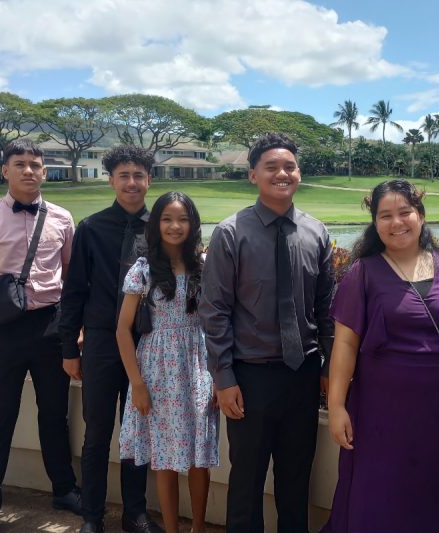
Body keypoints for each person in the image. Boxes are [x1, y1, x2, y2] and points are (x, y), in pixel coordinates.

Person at [322, 179, 439, 532]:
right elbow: (345, 346)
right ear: (375, 223)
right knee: (382, 497)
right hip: (380, 416)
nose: (396, 223)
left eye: (405, 212)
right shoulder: (362, 273)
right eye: (385, 216)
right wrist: (336, 406)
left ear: (421, 216)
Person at [199, 132, 335, 533]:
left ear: (299, 173)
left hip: (303, 374)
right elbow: (215, 311)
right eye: (271, 167)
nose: (282, 173)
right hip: (249, 377)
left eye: (289, 166)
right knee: (246, 480)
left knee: (296, 478)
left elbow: (326, 308)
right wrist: (223, 379)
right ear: (253, 175)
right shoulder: (230, 233)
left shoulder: (317, 233)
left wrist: (331, 366)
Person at [0, 139, 81, 533]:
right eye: (20, 164)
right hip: (2, 329)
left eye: (36, 165)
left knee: (54, 415)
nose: (29, 171)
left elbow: (72, 279)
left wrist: (73, 331)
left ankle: (63, 488)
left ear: (45, 172)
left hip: (51, 326)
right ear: (4, 171)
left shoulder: (62, 218)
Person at [59, 145, 161, 533]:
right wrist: (70, 347)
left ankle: (135, 514)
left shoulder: (163, 228)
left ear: (149, 180)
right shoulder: (91, 228)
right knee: (97, 433)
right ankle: (92, 516)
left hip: (147, 343)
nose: (132, 182)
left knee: (137, 434)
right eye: (124, 175)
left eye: (138, 175)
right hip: (102, 342)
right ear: (111, 180)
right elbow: (73, 292)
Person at [117, 191, 219, 533]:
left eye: (183, 219)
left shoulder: (205, 264)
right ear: (155, 224)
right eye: (167, 219)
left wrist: (219, 376)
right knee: (164, 458)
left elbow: (218, 323)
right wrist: (138, 385)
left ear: (193, 224)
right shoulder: (143, 269)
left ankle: (198, 527)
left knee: (199, 455)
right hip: (156, 370)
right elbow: (122, 331)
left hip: (198, 366)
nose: (175, 226)